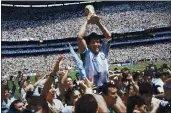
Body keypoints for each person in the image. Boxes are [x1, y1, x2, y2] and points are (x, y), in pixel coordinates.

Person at [78, 11, 112, 87]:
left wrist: (98, 23)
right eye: (93, 42)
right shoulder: (86, 53)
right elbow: (80, 37)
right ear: (88, 45)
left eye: (98, 42)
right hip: (92, 89)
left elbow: (109, 37)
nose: (96, 44)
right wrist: (87, 21)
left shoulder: (103, 51)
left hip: (105, 87)